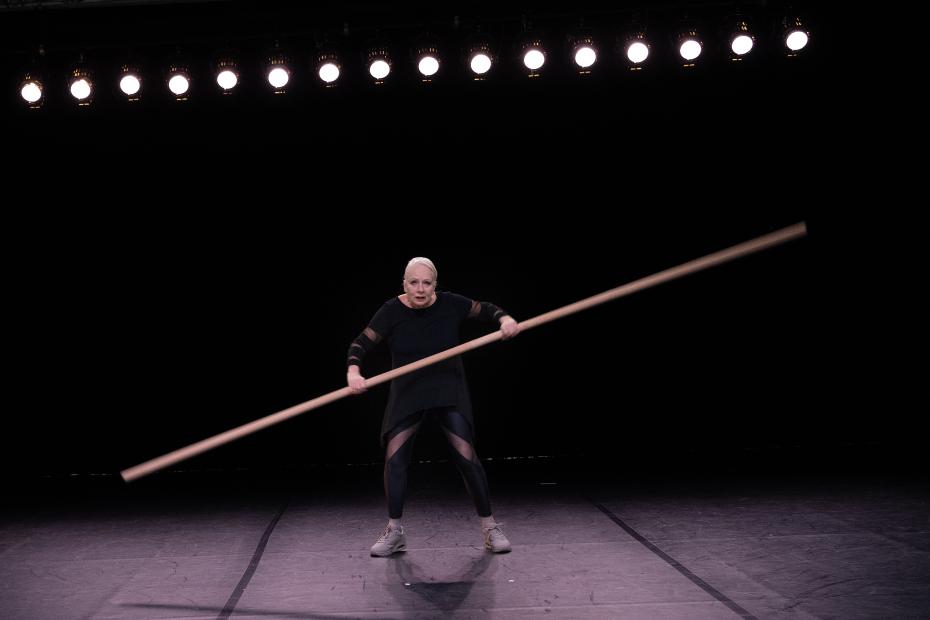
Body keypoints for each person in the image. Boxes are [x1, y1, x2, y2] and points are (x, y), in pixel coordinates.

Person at [347, 257, 520, 557]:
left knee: (466, 455)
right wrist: (353, 371)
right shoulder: (391, 311)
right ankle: (394, 532)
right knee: (394, 459)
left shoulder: (451, 304)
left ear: (435, 285)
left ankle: (490, 528)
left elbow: (487, 309)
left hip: (446, 386)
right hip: (408, 390)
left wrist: (504, 320)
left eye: (426, 283)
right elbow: (360, 343)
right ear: (404, 284)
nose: (420, 289)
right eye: (413, 282)